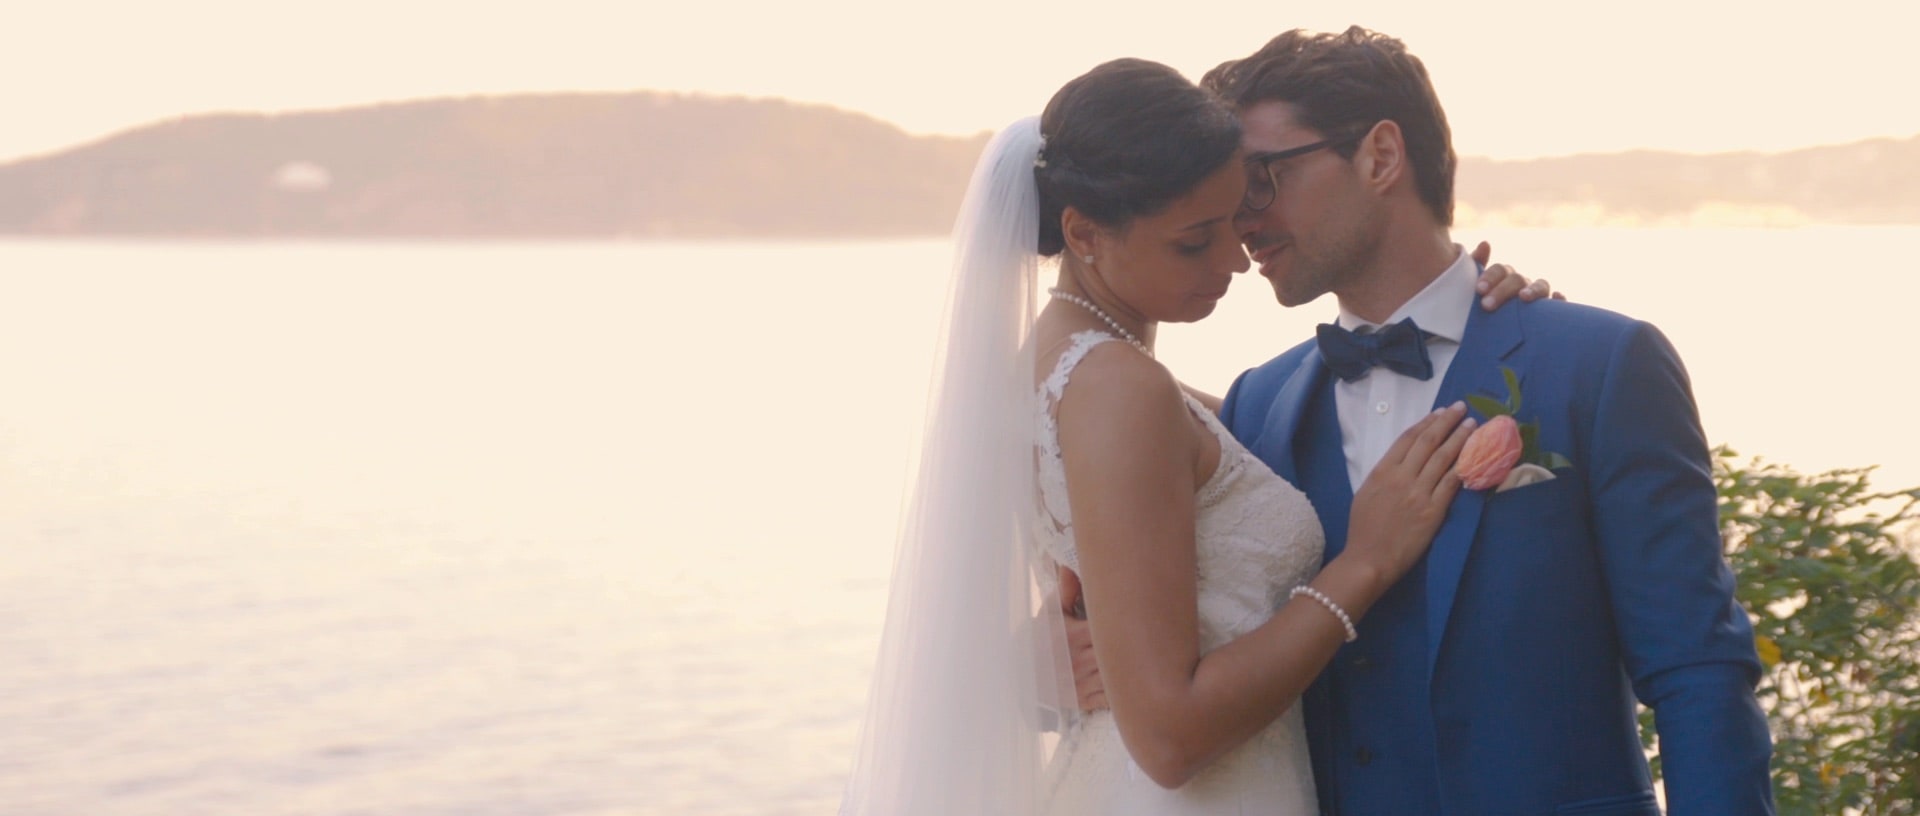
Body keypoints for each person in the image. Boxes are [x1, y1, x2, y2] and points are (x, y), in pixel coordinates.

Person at [1068, 27, 1776, 815]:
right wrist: (1073, 657)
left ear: (1379, 156)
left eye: (1260, 181)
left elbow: (1697, 671)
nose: (1241, 223)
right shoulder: (1255, 406)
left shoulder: (1597, 365)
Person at [838, 57, 1549, 816]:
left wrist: (1480, 326)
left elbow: (1257, 439)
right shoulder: (1119, 386)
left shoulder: (1058, 372)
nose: (1234, 261)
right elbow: (1171, 739)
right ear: (1083, 233)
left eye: (1235, 220)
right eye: (1194, 241)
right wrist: (1365, 563)